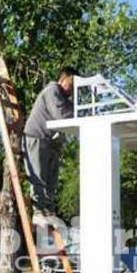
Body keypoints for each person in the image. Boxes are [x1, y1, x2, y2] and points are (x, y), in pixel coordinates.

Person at [23, 66, 78, 228]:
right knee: (39, 175)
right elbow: (60, 115)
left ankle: (49, 212)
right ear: (64, 78)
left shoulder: (66, 98)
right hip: (37, 137)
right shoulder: (52, 90)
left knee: (51, 179)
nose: (74, 87)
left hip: (51, 143)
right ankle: (39, 212)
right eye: (72, 83)